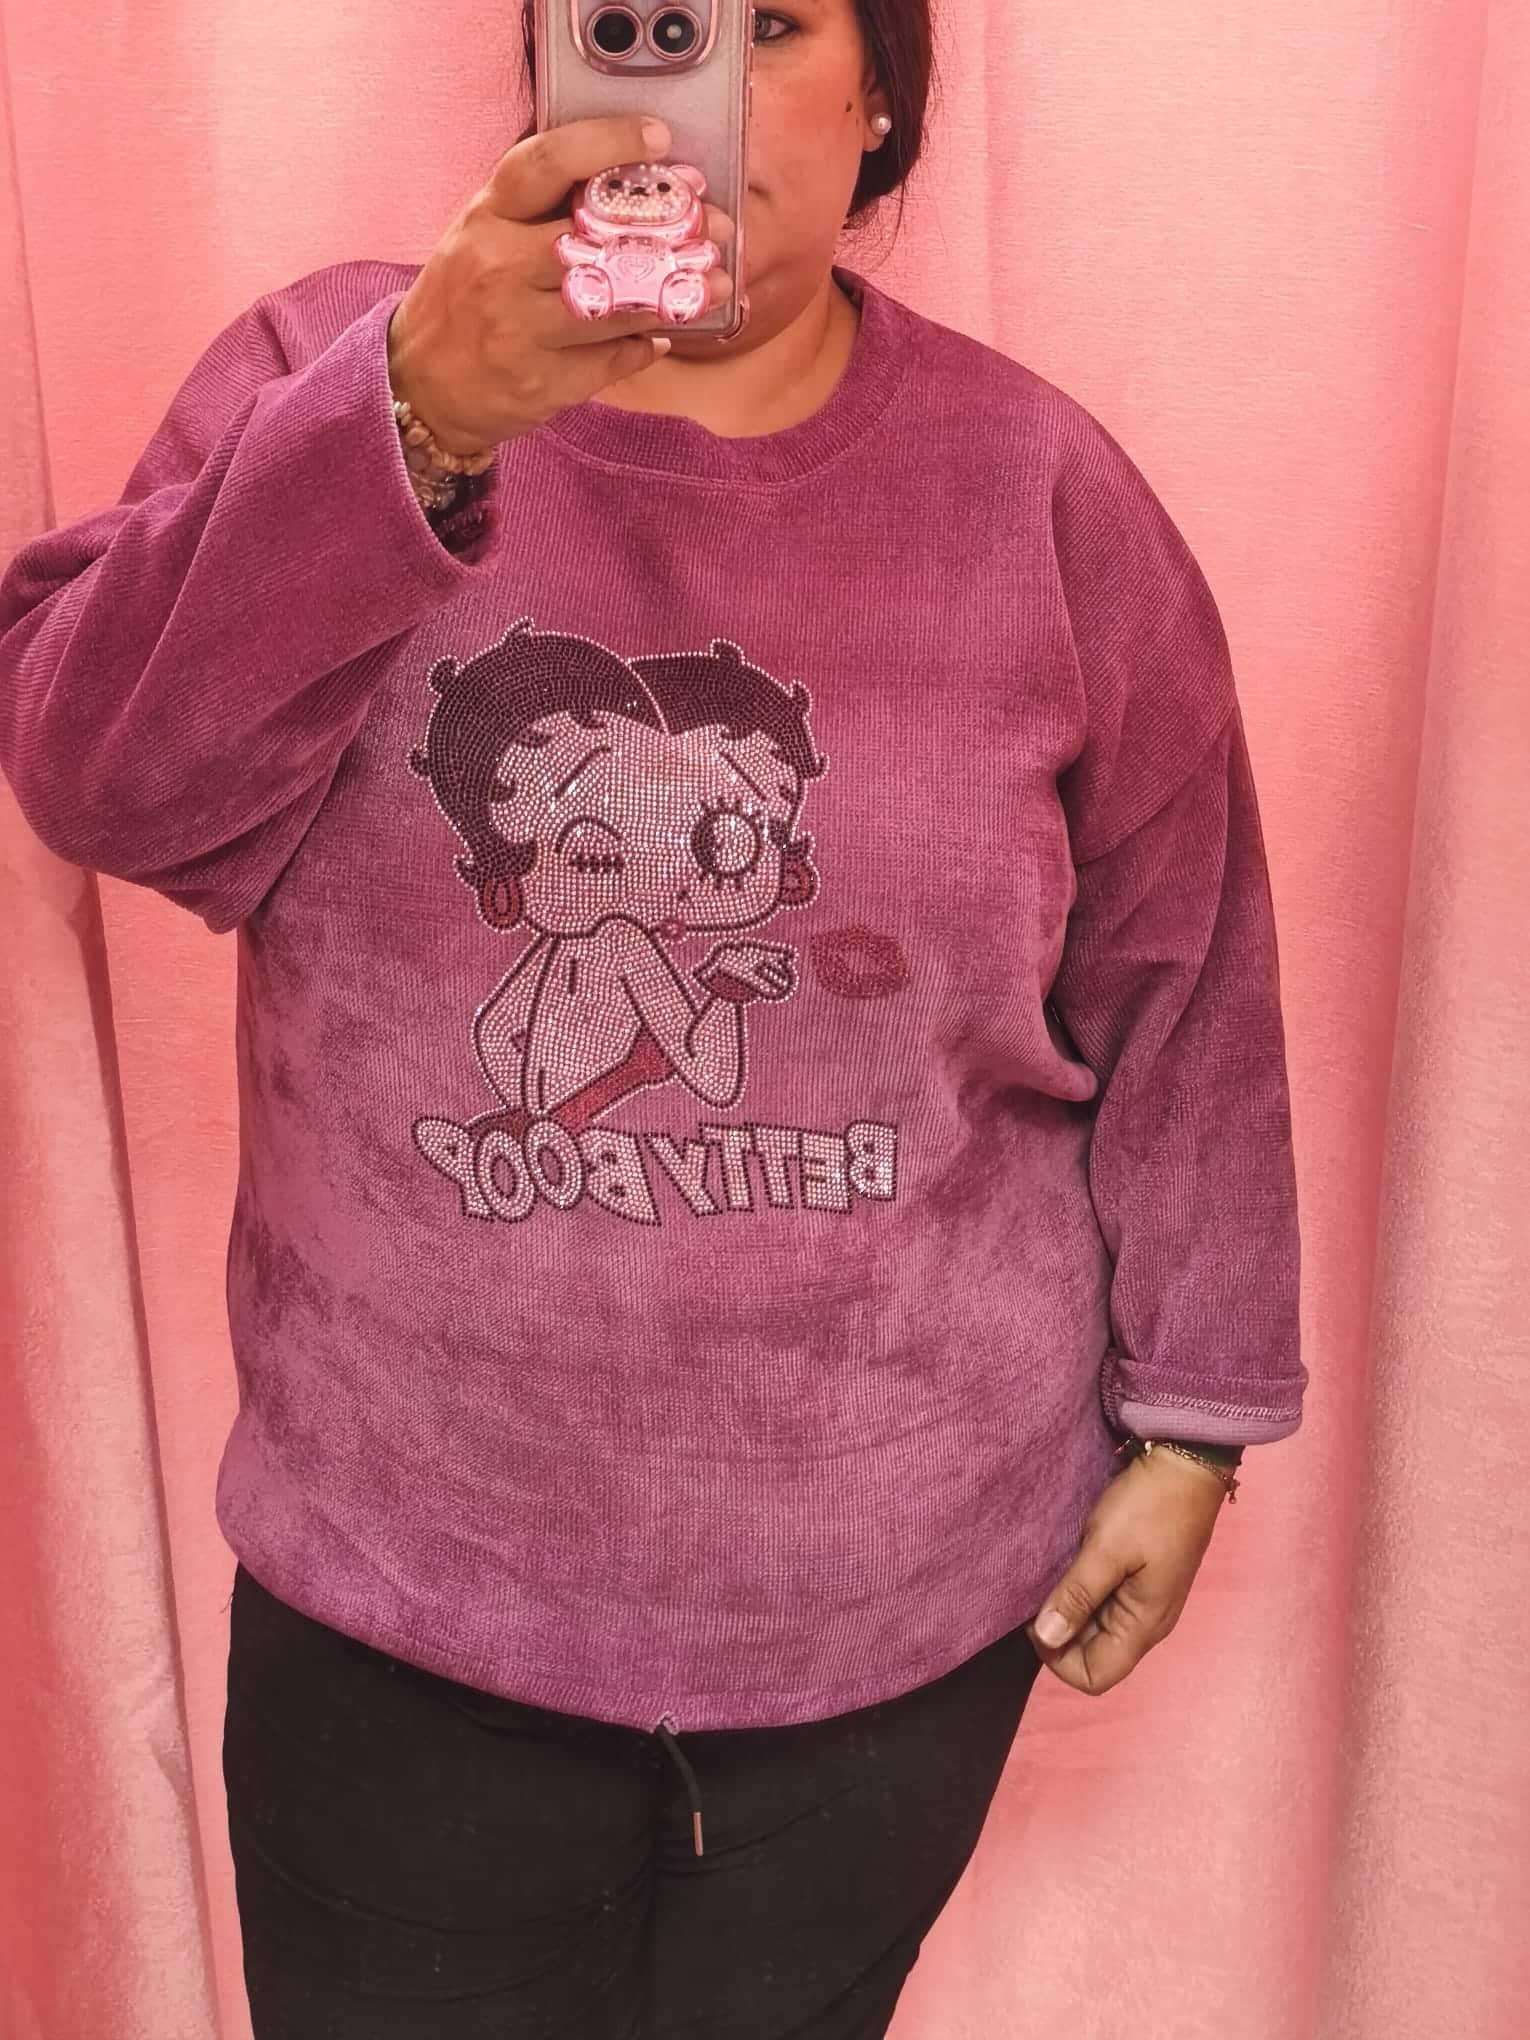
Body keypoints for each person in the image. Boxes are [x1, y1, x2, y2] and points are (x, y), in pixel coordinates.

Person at [0, 0, 1307, 2033]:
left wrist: (1195, 1425)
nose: (689, 88)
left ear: (881, 95)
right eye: (629, 16)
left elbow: (1186, 969)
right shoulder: (326, 373)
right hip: (408, 1606)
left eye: (767, 24)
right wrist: (419, 420)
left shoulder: (1040, 489)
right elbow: (104, 784)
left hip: (897, 1616)